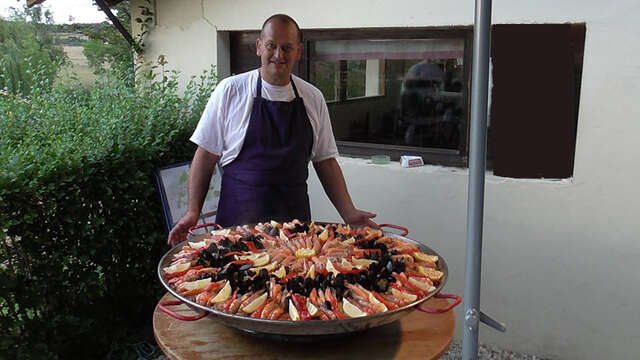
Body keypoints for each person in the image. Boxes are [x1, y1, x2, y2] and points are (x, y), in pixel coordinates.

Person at [168, 14, 377, 246]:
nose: (278, 55)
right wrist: (192, 211)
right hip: (237, 229)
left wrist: (348, 212)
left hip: (295, 236)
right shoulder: (230, 91)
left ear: (298, 51)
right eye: (271, 46)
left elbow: (325, 161)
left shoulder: (313, 97)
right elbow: (205, 156)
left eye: (287, 47)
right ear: (259, 47)